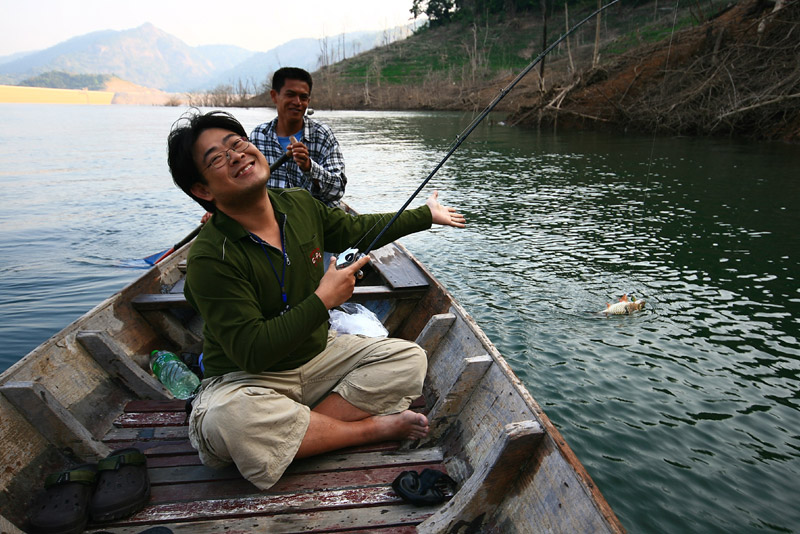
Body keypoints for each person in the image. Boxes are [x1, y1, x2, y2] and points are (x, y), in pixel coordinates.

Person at [166, 110, 466, 491]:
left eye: (237, 144)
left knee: (409, 359)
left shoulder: (298, 204)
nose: (237, 155)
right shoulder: (211, 257)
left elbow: (356, 229)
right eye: (217, 158)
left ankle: (300, 431)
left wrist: (426, 215)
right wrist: (323, 300)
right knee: (231, 419)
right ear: (204, 190)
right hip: (246, 378)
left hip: (316, 356)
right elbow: (253, 352)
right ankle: (366, 430)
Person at [250, 67, 346, 207]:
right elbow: (246, 186)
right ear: (274, 96)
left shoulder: (322, 134)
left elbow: (338, 190)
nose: (298, 102)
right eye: (290, 95)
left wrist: (309, 167)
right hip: (274, 220)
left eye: (303, 97)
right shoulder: (258, 136)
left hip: (315, 220)